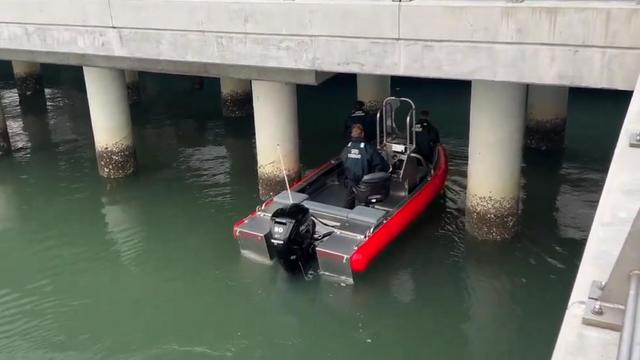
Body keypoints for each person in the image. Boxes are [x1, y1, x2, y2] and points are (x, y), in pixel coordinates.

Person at [341, 124, 389, 208]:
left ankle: (346, 211)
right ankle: (366, 208)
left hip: (350, 181)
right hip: (366, 182)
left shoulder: (346, 148)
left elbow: (343, 162)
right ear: (362, 134)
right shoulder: (368, 148)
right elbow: (381, 165)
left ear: (352, 134)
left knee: (348, 198)